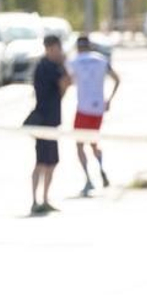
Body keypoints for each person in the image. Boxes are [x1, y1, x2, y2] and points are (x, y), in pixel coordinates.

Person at [66, 35, 120, 196]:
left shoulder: (74, 62)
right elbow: (117, 79)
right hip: (98, 109)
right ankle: (101, 170)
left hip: (83, 108)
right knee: (94, 143)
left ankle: (88, 179)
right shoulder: (101, 60)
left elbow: (67, 80)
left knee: (80, 145)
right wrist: (109, 99)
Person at [25, 34, 70, 215]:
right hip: (44, 120)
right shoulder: (49, 66)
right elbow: (65, 83)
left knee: (50, 162)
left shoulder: (45, 66)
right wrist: (65, 65)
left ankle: (44, 199)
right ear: (51, 48)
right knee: (42, 162)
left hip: (51, 120)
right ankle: (36, 200)